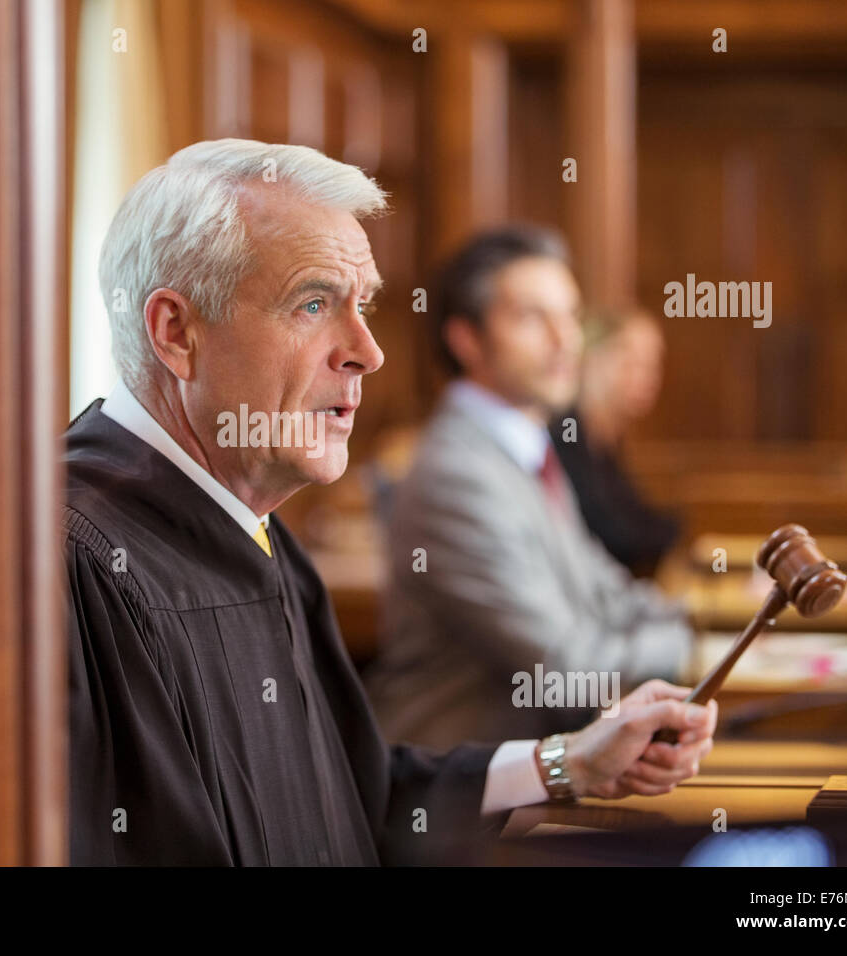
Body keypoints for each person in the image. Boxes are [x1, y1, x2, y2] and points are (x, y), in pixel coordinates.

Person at [65, 144, 716, 866]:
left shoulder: (255, 528)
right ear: (175, 333)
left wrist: (571, 763)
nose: (367, 352)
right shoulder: (69, 560)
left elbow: (356, 799)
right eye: (313, 303)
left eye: (364, 305)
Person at [364, 226, 693, 748]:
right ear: (465, 338)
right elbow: (564, 673)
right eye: (532, 318)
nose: (566, 341)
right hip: (470, 799)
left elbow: (605, 591)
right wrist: (690, 645)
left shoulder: (523, 442)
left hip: (550, 770)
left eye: (570, 316)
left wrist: (707, 619)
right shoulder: (458, 473)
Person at [550, 307, 680, 577]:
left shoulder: (605, 439)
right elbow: (614, 535)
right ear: (591, 360)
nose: (649, 378)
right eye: (632, 362)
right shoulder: (566, 430)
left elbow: (637, 517)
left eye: (653, 365)